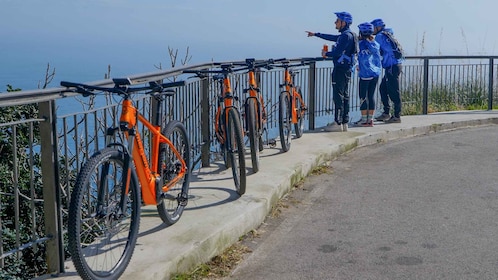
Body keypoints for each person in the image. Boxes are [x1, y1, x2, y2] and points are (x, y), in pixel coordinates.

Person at [306, 11, 358, 132]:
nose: (335, 22)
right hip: (347, 69)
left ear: (343, 22)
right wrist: (316, 34)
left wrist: (326, 54)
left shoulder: (345, 36)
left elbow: (337, 52)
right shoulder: (351, 34)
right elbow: (332, 37)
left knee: (338, 95)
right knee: (345, 95)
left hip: (340, 69)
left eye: (337, 21)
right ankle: (344, 121)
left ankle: (337, 122)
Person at [371, 18, 404, 123]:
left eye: (373, 27)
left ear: (378, 27)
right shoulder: (388, 34)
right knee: (383, 88)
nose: (372, 30)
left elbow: (375, 49)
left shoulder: (380, 36)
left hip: (391, 67)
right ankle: (386, 113)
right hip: (395, 65)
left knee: (394, 91)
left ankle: (396, 116)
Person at [356, 22, 381, 127]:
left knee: (363, 96)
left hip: (365, 74)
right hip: (375, 73)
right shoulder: (375, 44)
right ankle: (370, 120)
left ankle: (364, 119)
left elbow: (356, 56)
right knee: (371, 96)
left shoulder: (360, 44)